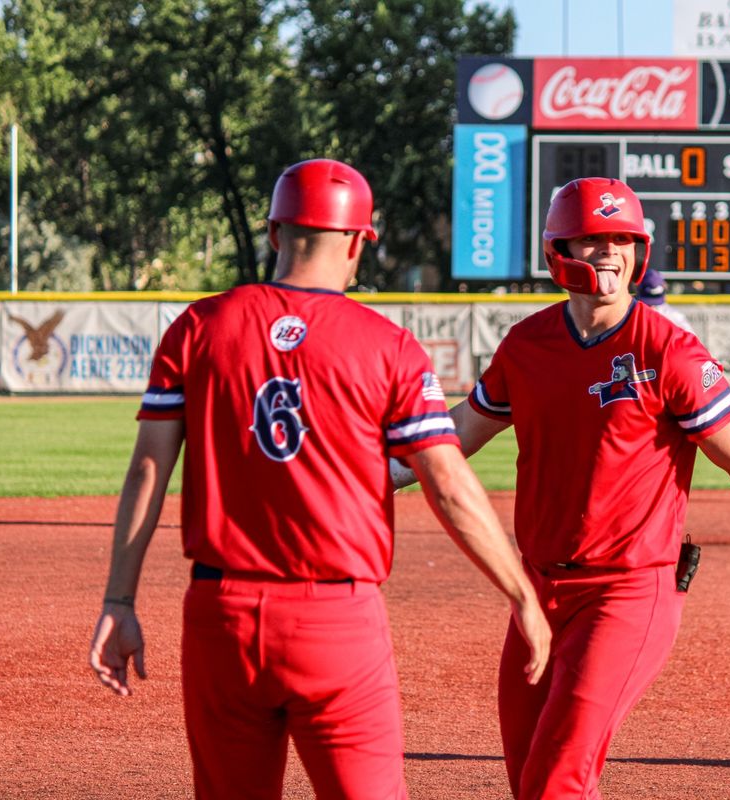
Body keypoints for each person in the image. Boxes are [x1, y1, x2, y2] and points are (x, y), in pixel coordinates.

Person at [88, 158, 550, 800]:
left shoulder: (199, 327)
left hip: (220, 616)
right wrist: (521, 594)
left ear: (275, 233)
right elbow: (446, 483)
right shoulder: (387, 346)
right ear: (361, 242)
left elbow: (147, 470)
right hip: (336, 620)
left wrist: (118, 601)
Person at [392, 177, 730, 800]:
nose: (609, 252)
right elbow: (454, 439)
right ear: (558, 249)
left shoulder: (671, 352)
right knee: (529, 780)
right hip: (535, 587)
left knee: (558, 780)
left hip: (628, 591)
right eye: (592, 239)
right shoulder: (527, 344)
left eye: (623, 239)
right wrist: (365, 473)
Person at [635, 267, 695, 334]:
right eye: (648, 303)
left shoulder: (674, 317)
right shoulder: (630, 315)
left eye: (655, 304)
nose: (652, 306)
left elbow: (692, 341)